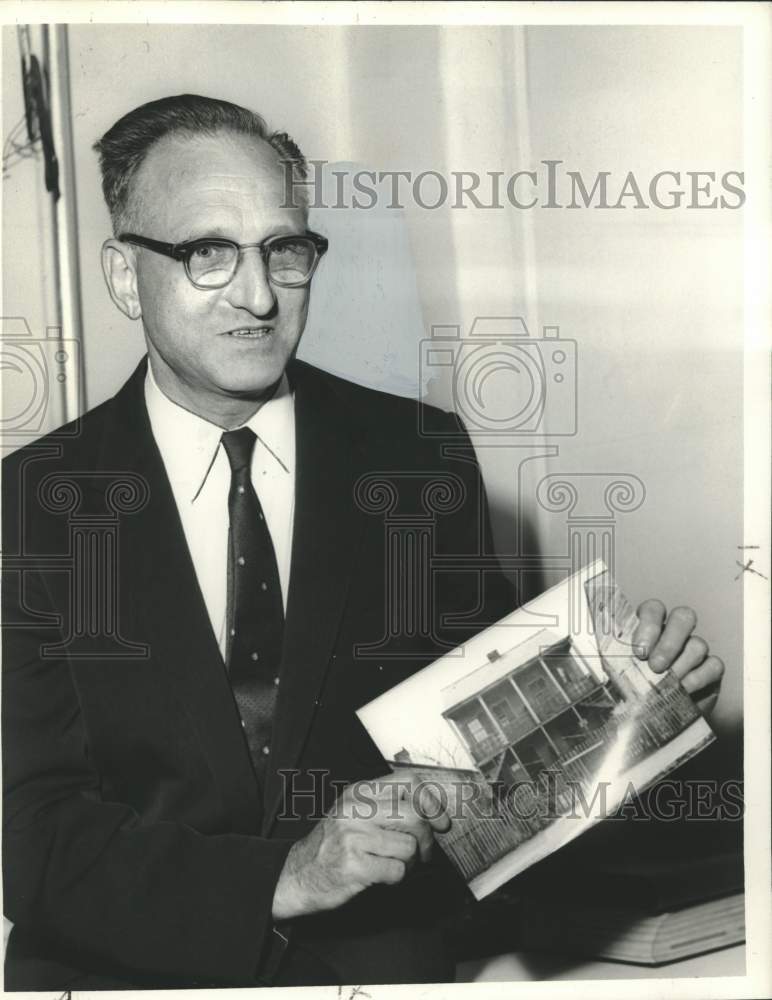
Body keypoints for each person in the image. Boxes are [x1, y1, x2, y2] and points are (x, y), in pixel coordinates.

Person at [1, 94, 725, 990]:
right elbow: (33, 837)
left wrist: (635, 705)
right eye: (208, 253)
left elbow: (495, 772)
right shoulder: (30, 507)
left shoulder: (419, 459)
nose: (259, 296)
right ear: (123, 275)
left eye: (285, 250)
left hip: (378, 969)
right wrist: (288, 876)